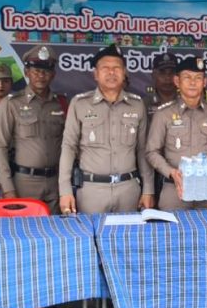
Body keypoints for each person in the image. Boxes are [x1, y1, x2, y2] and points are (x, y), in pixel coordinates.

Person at [59, 44, 155, 214]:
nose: (111, 72)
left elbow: (142, 150)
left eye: (116, 68)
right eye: (105, 68)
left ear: (124, 73)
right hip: (91, 192)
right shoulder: (80, 104)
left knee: (128, 231)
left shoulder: (137, 104)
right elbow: (68, 147)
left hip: (128, 190)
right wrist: (65, 191)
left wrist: (148, 189)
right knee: (91, 231)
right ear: (96, 74)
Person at [145, 56, 207, 211]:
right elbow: (151, 152)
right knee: (173, 227)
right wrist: (171, 172)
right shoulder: (164, 114)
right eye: (187, 77)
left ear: (205, 82)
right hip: (174, 190)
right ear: (177, 81)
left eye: (198, 78)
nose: (193, 82)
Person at [0, 45, 67, 213]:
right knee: (24, 228)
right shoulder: (11, 103)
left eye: (46, 71)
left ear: (53, 75)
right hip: (24, 183)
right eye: (36, 71)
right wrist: (8, 188)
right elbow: (0, 148)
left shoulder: (61, 103)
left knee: (55, 228)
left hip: (55, 183)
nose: (41, 75)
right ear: (27, 72)